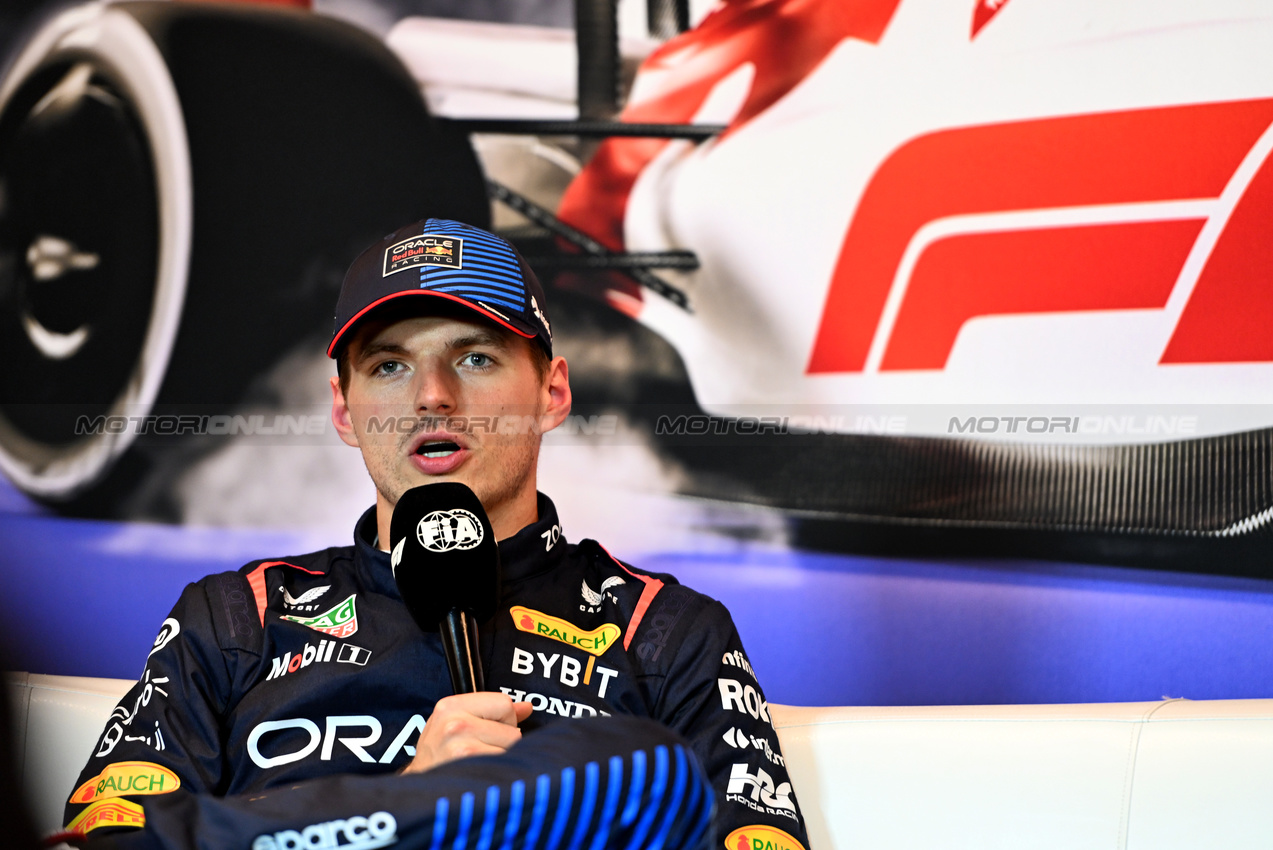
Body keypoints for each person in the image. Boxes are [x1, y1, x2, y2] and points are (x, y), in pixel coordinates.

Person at [62, 219, 809, 850]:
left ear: (552, 392)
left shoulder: (666, 632)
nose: (431, 396)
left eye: (475, 357)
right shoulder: (239, 617)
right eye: (388, 365)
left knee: (644, 769)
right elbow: (109, 836)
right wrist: (421, 802)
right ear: (345, 411)